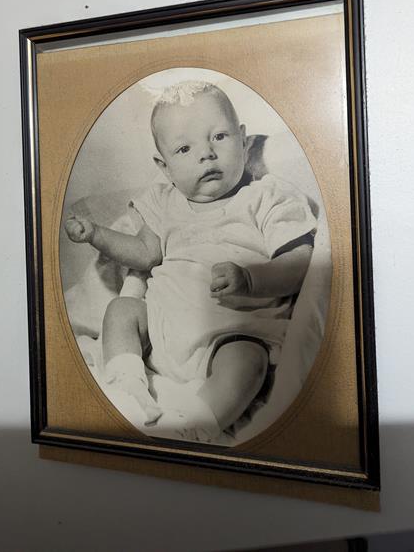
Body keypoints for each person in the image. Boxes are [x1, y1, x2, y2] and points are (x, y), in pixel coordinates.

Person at [65, 81, 316, 442]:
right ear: (164, 167)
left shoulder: (267, 196)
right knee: (121, 310)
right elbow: (145, 254)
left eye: (219, 137)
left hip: (231, 332)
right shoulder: (162, 201)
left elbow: (299, 261)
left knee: (249, 363)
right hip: (161, 326)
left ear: (244, 141)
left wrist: (251, 279)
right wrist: (97, 235)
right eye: (185, 149)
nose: (207, 155)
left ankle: (197, 425)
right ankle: (126, 383)